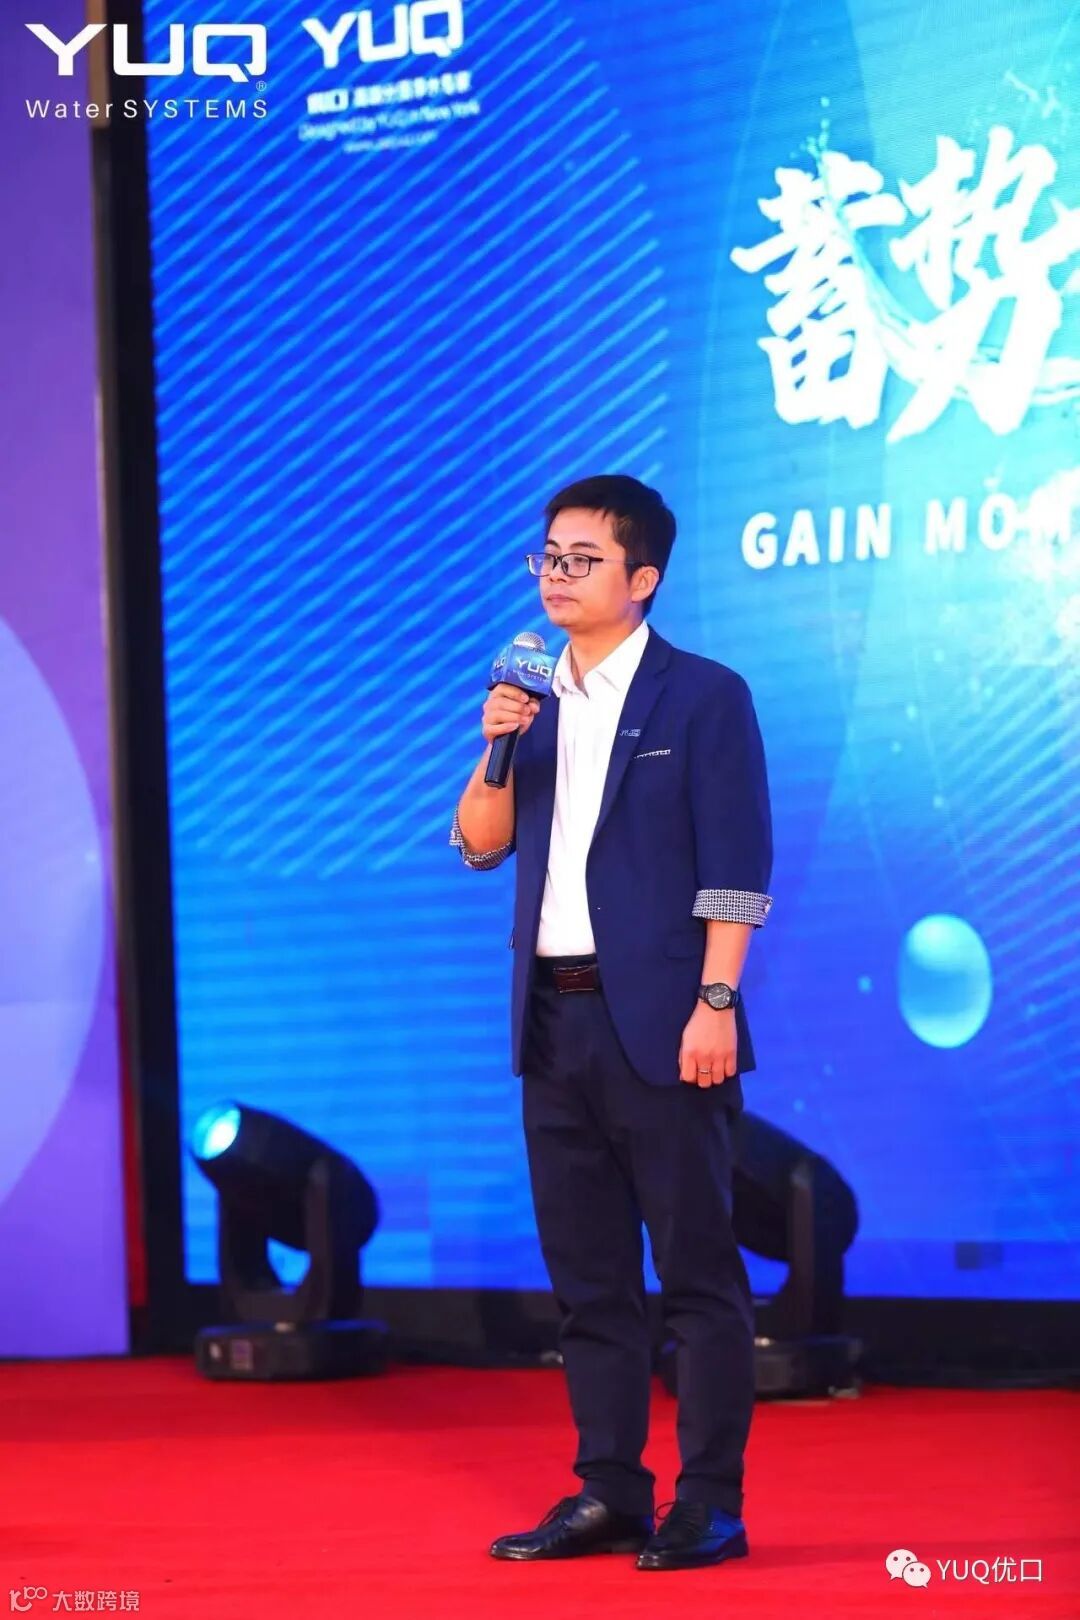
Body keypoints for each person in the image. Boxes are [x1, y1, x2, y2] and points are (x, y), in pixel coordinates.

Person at [449, 474, 774, 1572]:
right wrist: (495, 742)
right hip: (553, 1020)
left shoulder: (703, 696)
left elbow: (737, 868)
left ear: (643, 578)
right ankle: (609, 1490)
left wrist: (716, 1002)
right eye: (547, 556)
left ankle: (710, 1501)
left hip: (667, 1022)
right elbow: (481, 843)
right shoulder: (529, 698)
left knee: (697, 1275)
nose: (556, 575)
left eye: (581, 559)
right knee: (589, 1280)